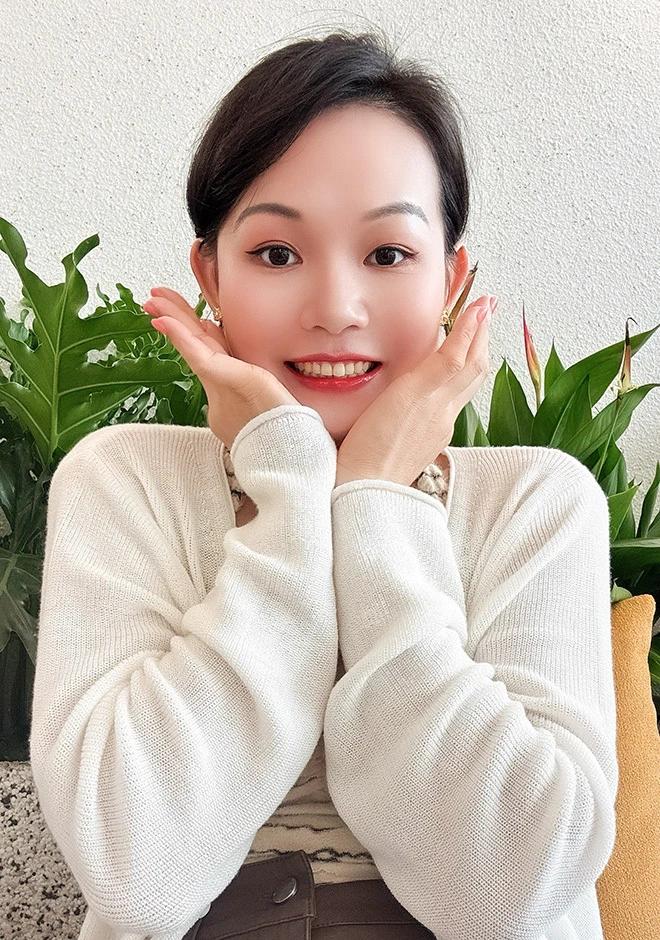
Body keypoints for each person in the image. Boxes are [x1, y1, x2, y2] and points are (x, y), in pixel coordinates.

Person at [29, 27, 618, 940]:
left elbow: (507, 891)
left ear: (451, 280)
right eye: (276, 254)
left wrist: (376, 498)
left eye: (388, 254)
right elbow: (137, 872)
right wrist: (290, 489)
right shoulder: (123, 483)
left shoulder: (539, 505)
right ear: (209, 274)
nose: (337, 309)